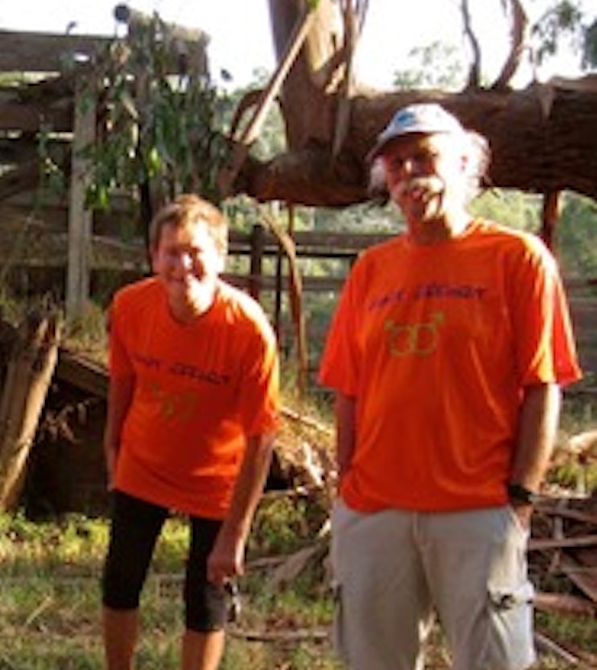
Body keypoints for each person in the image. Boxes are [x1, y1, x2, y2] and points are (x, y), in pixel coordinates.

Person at [319, 103, 581, 670]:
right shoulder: (371, 270)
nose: (410, 173)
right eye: (396, 163)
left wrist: (520, 499)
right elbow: (349, 390)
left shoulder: (518, 260)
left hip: (477, 508)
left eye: (425, 157)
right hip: (376, 511)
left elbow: (543, 386)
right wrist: (347, 494)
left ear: (465, 162)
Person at [100, 193, 280, 670]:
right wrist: (112, 449)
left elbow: (262, 436)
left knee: (205, 600)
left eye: (196, 252)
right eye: (171, 252)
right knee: (119, 581)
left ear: (220, 257)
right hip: (144, 462)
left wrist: (234, 535)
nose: (183, 265)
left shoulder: (248, 330)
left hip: (216, 479)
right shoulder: (130, 307)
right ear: (153, 257)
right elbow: (122, 381)